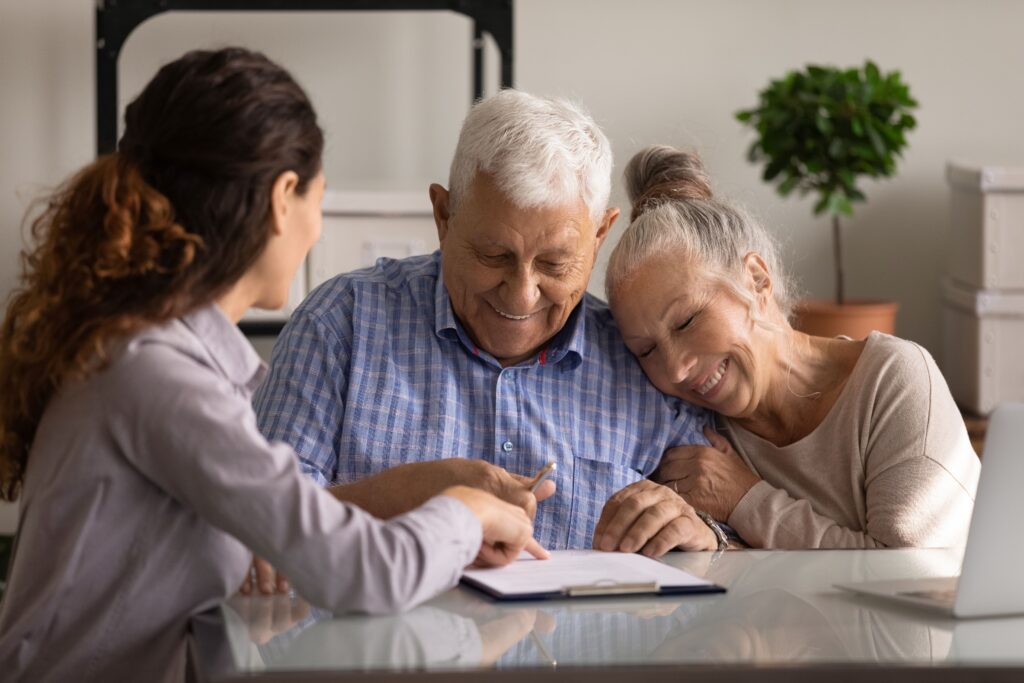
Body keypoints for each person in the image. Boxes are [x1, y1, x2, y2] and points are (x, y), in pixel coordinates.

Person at [0, 48, 545, 683]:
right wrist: (465, 509)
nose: (316, 227)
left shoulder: (153, 352)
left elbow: (287, 517)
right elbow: (363, 571)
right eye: (319, 197)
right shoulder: (159, 376)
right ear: (284, 197)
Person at [253, 90, 717, 564]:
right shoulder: (341, 324)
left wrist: (706, 536)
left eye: (555, 264)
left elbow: (728, 537)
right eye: (493, 256)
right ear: (443, 216)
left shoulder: (649, 356)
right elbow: (251, 530)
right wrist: (399, 496)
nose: (521, 295)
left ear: (599, 235)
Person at [599, 145, 980, 549]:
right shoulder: (692, 431)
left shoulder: (892, 379)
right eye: (646, 351)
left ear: (756, 279)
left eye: (687, 321)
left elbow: (906, 572)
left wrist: (747, 500)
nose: (675, 370)